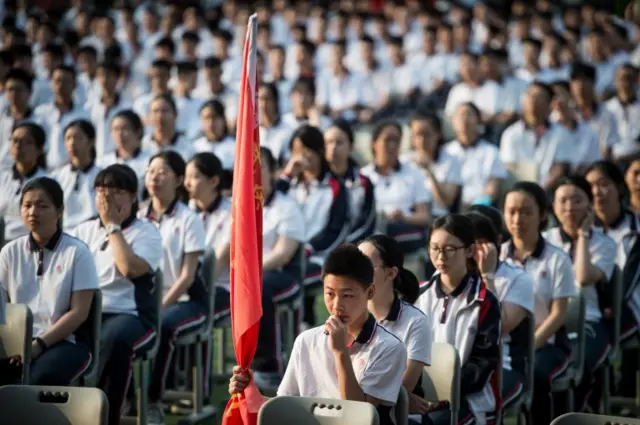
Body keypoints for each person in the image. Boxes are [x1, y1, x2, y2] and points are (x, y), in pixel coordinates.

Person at [228, 244, 408, 425]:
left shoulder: (389, 347)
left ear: (369, 292)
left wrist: (340, 353)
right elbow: (285, 406)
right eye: (330, 294)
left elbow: (359, 417)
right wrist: (251, 392)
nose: (337, 306)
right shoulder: (306, 341)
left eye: (347, 296)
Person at [70, 164, 162, 425]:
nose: (107, 198)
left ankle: (106, 416)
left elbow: (129, 268)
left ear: (134, 196)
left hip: (131, 315)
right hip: (86, 312)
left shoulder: (147, 232)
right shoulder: (81, 231)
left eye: (116, 191)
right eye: (100, 191)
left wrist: (112, 226)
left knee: (115, 340)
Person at [208, 148, 307, 388]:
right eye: (248, 167)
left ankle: (268, 366)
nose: (254, 173)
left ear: (273, 172)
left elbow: (283, 254)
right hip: (244, 277)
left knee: (257, 289)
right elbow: (224, 249)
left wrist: (249, 273)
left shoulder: (286, 207)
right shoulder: (237, 206)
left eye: (260, 166)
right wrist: (207, 282)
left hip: (280, 275)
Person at [0, 177, 97, 385]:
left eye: (42, 206)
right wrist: (14, 344)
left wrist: (39, 344)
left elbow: (79, 313)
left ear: (60, 211)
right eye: (27, 205)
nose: (33, 212)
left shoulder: (78, 252)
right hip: (17, 340)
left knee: (40, 378)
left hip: (65, 342)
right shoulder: (10, 252)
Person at [138, 151, 208, 425]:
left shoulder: (188, 219)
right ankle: (127, 398)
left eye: (163, 171)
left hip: (186, 301)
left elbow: (188, 277)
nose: (155, 176)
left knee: (164, 325)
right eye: (151, 170)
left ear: (179, 179)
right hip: (147, 300)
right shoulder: (138, 216)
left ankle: (154, 401)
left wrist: (159, 306)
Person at [500, 181, 577, 425]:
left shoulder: (557, 259)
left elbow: (558, 314)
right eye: (511, 211)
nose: (517, 219)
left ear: (543, 215)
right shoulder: (498, 256)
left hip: (547, 344)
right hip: (508, 344)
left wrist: (531, 345)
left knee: (536, 373)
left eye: (526, 212)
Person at [415, 214, 502, 425]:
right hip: (421, 397)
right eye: (434, 248)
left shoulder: (484, 301)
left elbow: (482, 363)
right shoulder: (418, 295)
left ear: (469, 251)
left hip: (471, 401)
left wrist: (444, 395)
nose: (441, 257)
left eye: (450, 249)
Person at [545, 175, 615, 411]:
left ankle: (577, 414)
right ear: (553, 207)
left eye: (577, 200)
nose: (569, 207)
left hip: (588, 322)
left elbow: (583, 277)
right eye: (562, 200)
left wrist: (584, 236)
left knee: (579, 364)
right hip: (549, 320)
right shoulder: (545, 241)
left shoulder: (604, 244)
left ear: (589, 204)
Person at [277, 124, 349, 326]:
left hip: (318, 257)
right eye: (295, 151)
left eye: (304, 150)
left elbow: (336, 230)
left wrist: (308, 249)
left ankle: (302, 326)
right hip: (285, 252)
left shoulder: (335, 187)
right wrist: (287, 175)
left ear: (318, 151)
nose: (299, 156)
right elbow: (268, 204)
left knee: (289, 277)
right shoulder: (289, 185)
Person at [466, 211, 534, 413]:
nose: (473, 251)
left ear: (496, 242)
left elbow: (498, 326)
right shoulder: (450, 277)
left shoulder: (518, 279)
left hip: (504, 368)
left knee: (464, 404)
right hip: (463, 366)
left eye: (480, 243)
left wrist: (487, 276)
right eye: (467, 244)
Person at [357, 235, 432, 418]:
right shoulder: (348, 316)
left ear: (391, 273)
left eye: (366, 267)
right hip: (354, 410)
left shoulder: (415, 322)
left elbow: (399, 392)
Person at [585, 160, 640, 401]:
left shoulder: (635, 230)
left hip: (630, 309)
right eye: (590, 186)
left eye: (603, 184)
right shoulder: (584, 233)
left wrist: (610, 305)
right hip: (596, 309)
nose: (596, 191)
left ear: (619, 188)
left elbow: (627, 281)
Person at [361, 121, 432, 254]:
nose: (392, 145)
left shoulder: (414, 173)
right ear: (374, 143)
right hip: (373, 229)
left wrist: (403, 217)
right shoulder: (364, 176)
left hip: (404, 229)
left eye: (396, 140)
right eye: (387, 140)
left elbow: (424, 217)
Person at [443, 102, 507, 207]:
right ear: (452, 122)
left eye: (469, 114)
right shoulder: (445, 151)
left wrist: (477, 206)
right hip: (449, 208)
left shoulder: (491, 151)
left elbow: (493, 186)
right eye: (460, 115)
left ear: (479, 121)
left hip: (479, 208)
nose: (464, 119)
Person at [401, 112, 462, 217]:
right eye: (417, 135)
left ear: (438, 134)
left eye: (427, 134)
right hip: (409, 217)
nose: (422, 140)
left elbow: (445, 203)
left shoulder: (452, 161)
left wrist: (430, 172)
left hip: (438, 217)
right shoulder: (403, 161)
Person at [324, 119, 376, 243]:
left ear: (351, 147)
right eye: (329, 142)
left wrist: (343, 245)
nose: (333, 147)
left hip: (352, 247)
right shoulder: (317, 181)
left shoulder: (363, 182)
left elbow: (367, 224)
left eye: (339, 142)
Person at [0, 122, 48, 241]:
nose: (18, 146)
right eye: (15, 140)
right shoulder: (2, 176)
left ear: (40, 149)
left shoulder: (46, 182)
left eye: (27, 142)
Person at [51, 119, 101, 231]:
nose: (72, 143)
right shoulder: (57, 177)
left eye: (78, 138)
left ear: (91, 141)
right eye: (68, 138)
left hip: (95, 232)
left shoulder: (103, 176)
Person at [98, 109, 151, 199]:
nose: (120, 134)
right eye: (116, 129)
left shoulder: (149, 160)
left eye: (125, 129)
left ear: (138, 131)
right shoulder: (102, 163)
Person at [141, 94, 195, 161]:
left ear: (175, 114)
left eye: (164, 111)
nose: (160, 116)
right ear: (149, 116)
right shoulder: (143, 145)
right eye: (155, 111)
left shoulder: (188, 148)